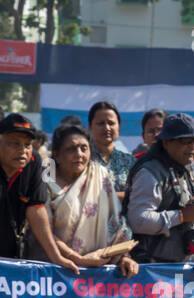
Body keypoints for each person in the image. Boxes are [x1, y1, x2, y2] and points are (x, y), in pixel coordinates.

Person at [37, 123, 137, 275]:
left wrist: (123, 257)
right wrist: (77, 259)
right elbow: (44, 232)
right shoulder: (45, 182)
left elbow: (115, 223)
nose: (79, 154)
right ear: (56, 154)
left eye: (84, 148)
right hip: (56, 272)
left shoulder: (99, 175)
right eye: (71, 149)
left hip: (98, 272)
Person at [123, 112, 194, 263]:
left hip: (189, 265)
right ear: (166, 142)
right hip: (154, 269)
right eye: (185, 141)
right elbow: (138, 221)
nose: (193, 147)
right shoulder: (150, 171)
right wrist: (181, 216)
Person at [0, 114, 79, 271]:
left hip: (11, 257)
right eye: (15, 143)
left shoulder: (34, 162)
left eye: (27, 145)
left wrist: (56, 257)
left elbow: (36, 210)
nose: (22, 150)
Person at [87, 101, 134, 202]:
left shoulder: (130, 161)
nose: (107, 128)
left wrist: (104, 197)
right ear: (90, 127)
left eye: (111, 123)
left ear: (119, 126)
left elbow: (139, 195)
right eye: (100, 123)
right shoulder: (82, 159)